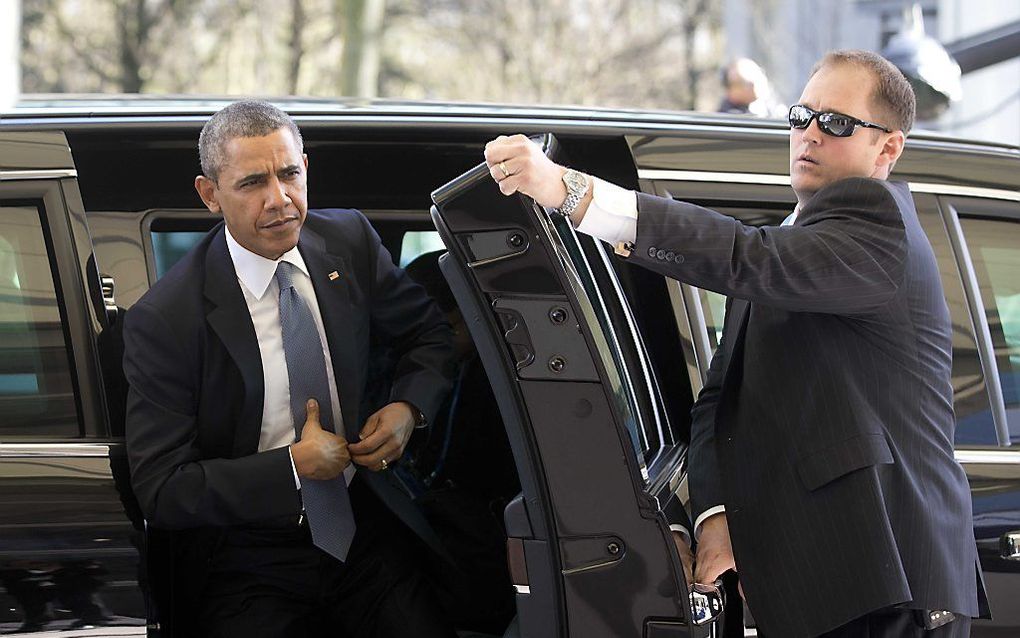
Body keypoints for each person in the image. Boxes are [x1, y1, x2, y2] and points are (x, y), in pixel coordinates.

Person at [483, 50, 986, 638]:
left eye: (838, 123)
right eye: (802, 116)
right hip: (825, 588)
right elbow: (719, 399)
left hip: (887, 580)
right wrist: (717, 512)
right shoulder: (796, 242)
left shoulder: (875, 223)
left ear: (888, 149)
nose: (810, 134)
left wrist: (572, 192)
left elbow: (745, 257)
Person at [123, 100, 457, 638]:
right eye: (252, 182)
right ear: (210, 195)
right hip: (247, 557)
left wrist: (408, 409)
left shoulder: (348, 242)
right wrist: (293, 467)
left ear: (306, 168)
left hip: (362, 529)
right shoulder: (166, 320)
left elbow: (429, 335)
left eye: (289, 174)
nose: (279, 200)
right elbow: (162, 488)